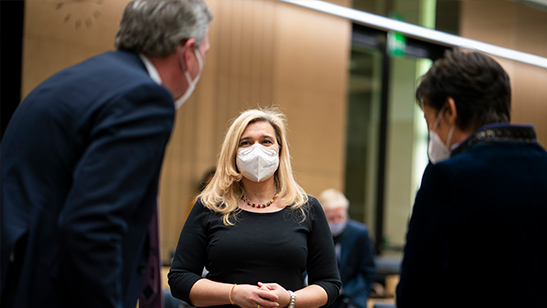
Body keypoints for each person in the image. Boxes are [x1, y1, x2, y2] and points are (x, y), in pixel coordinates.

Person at [0, 1, 213, 307]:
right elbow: (92, 227)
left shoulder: (74, 79)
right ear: (186, 52)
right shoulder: (145, 98)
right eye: (204, 53)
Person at [396, 50, 547, 308]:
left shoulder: (447, 179)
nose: (433, 133)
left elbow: (416, 292)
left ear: (450, 110)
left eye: (430, 121)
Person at [168, 108, 341, 308]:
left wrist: (290, 300)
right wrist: (233, 293)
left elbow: (329, 284)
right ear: (233, 152)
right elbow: (180, 279)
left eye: (266, 141)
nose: (256, 149)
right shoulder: (209, 206)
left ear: (280, 150)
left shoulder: (307, 209)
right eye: (246, 142)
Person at [317, 189, 376, 308]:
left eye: (341, 217)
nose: (336, 222)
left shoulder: (359, 233)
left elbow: (368, 271)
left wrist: (351, 293)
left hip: (351, 297)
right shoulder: (314, 233)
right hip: (320, 295)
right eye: (331, 218)